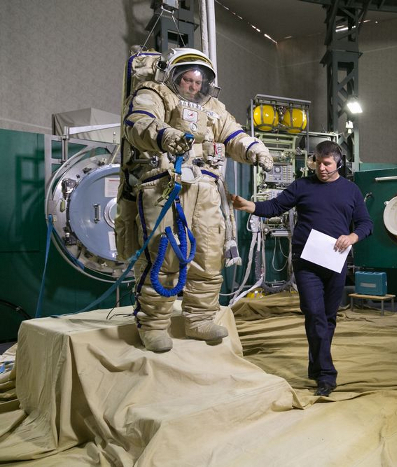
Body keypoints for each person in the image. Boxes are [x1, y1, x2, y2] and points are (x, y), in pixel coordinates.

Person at [116, 47, 273, 352]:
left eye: (198, 82)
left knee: (209, 256)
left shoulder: (214, 107)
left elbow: (234, 135)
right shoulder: (155, 93)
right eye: (187, 79)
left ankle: (200, 319)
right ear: (174, 76)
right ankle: (153, 325)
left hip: (206, 188)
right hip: (164, 184)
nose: (193, 86)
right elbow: (139, 122)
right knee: (163, 256)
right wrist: (166, 136)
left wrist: (256, 149)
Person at [230, 141, 373, 397]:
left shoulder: (350, 190)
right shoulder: (302, 186)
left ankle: (316, 367)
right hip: (306, 262)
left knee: (328, 317)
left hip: (335, 261)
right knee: (314, 313)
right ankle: (327, 375)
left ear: (338, 163)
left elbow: (365, 223)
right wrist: (249, 206)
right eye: (317, 162)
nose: (321, 168)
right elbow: (275, 206)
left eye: (327, 163)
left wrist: (352, 237)